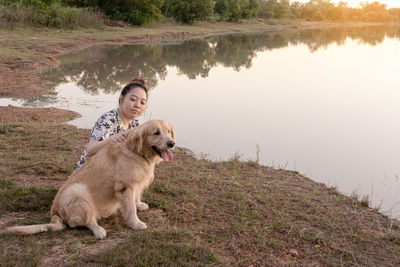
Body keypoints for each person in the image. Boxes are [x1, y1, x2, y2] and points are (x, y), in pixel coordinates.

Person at [73, 78, 148, 171]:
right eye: (133, 99)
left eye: (142, 102)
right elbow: (90, 150)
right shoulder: (109, 119)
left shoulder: (134, 124)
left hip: (112, 171)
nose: (137, 105)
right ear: (122, 98)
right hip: (88, 173)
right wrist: (112, 139)